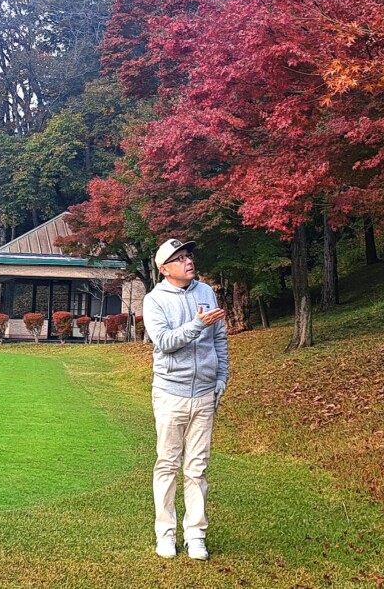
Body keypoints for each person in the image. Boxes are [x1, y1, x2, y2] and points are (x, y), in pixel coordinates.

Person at [143, 238, 229, 561]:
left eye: (188, 255)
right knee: (167, 464)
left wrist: (222, 377)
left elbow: (220, 337)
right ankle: (165, 534)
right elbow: (164, 342)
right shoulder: (154, 300)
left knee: (197, 468)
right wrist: (196, 324)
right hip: (170, 395)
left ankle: (196, 536)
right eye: (178, 259)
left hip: (205, 394)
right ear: (165, 270)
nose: (187, 261)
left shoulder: (206, 292)